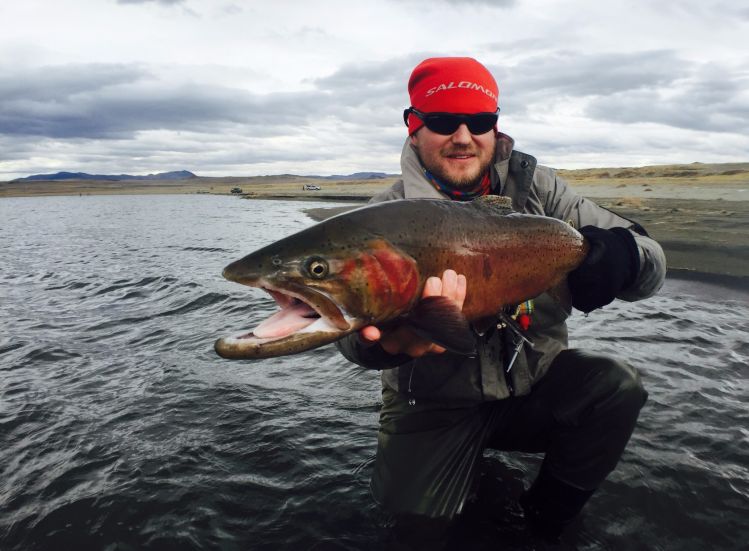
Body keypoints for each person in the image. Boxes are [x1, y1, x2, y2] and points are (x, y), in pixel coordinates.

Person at [336, 57, 666, 546]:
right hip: (433, 405)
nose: (464, 136)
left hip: (534, 386)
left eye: (481, 120)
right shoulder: (380, 222)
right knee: (413, 530)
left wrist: (623, 257)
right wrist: (385, 346)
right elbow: (346, 337)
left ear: (496, 126)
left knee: (617, 387)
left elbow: (653, 263)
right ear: (414, 128)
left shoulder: (543, 191)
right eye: (444, 122)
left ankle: (546, 522)